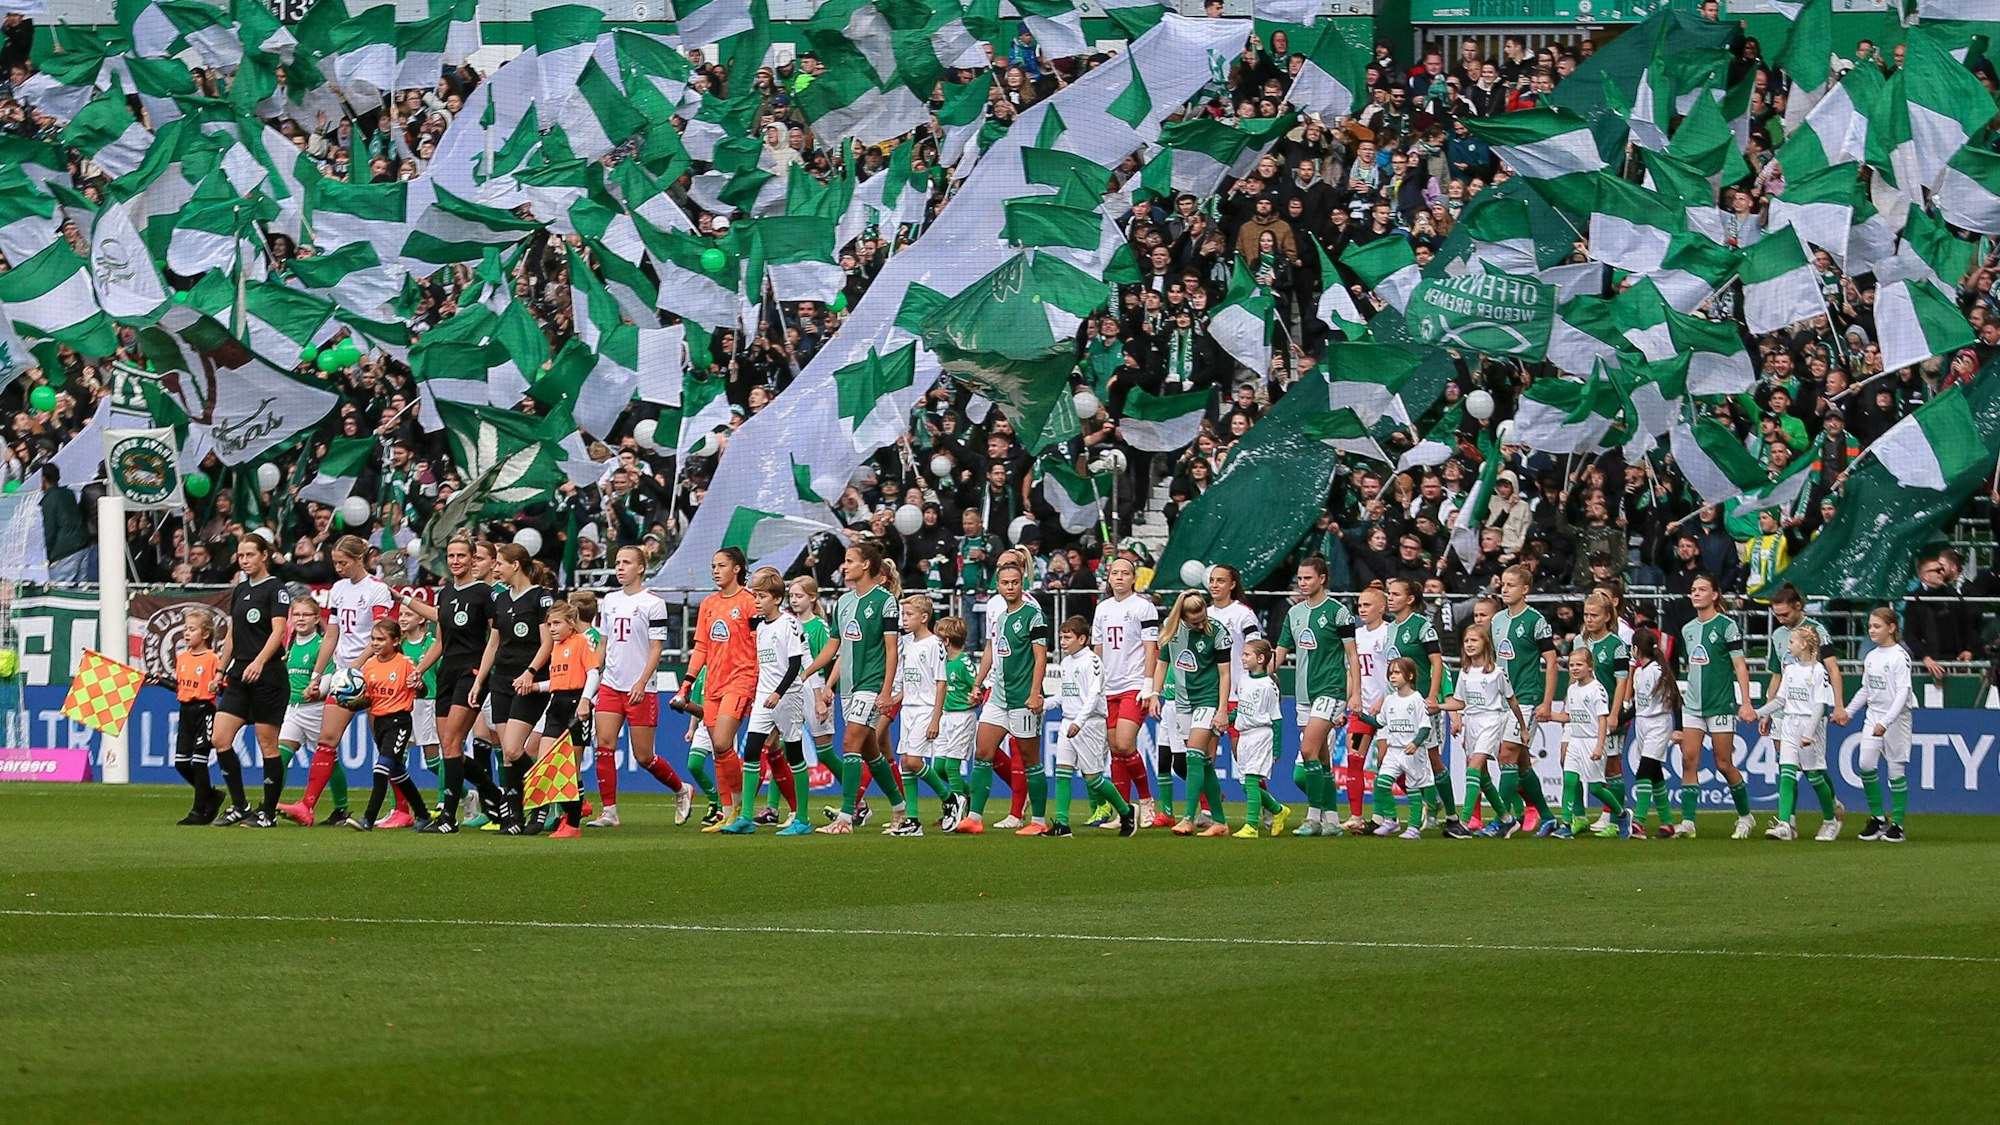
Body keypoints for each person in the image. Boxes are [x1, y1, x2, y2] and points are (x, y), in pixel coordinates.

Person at [281, 535, 393, 827]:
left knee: (384, 741)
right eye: (335, 563)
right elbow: (331, 634)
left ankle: (401, 807)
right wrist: (318, 676)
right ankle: (307, 806)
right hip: (344, 675)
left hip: (373, 671)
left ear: (359, 559)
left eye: (344, 562)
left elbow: (379, 634)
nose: (339, 567)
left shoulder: (377, 590)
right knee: (327, 740)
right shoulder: (338, 589)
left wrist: (356, 667)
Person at [802, 541, 906, 835]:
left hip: (871, 684)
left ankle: (845, 818)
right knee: (871, 752)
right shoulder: (843, 603)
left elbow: (891, 650)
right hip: (848, 687)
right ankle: (901, 810)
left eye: (849, 561)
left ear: (866, 566)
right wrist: (808, 673)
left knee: (849, 743)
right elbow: (835, 648)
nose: (844, 566)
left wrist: (885, 692)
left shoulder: (885, 601)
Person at [586, 545, 691, 828]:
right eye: (617, 562)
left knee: (644, 756)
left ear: (641, 568)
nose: (620, 567)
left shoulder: (652, 603)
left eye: (627, 562)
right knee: (604, 746)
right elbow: (604, 645)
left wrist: (642, 682)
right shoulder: (608, 600)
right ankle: (609, 811)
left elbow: (657, 647)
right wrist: (593, 681)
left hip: (640, 688)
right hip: (611, 684)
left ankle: (682, 789)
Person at [411, 536, 503, 833]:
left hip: (472, 671)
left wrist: (483, 675)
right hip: (447, 673)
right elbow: (440, 641)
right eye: (451, 555)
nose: (455, 561)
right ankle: (494, 794)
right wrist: (420, 668)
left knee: (451, 741)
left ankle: (448, 817)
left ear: (472, 559)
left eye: (461, 555)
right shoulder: (447, 593)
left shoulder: (484, 594)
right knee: (450, 749)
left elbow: (495, 637)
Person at [959, 561, 1049, 835]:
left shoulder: (1034, 615)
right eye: (1005, 582)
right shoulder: (999, 617)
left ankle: (1039, 822)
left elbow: (1040, 656)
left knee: (1030, 760)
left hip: (1023, 698)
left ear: (1022, 584)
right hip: (998, 696)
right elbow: (991, 651)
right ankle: (974, 817)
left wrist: (1035, 693)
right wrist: (978, 683)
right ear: (997, 585)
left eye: (1015, 582)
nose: (1010, 587)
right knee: (983, 752)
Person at [1272, 556, 1358, 837]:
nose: (1302, 582)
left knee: (1308, 750)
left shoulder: (1337, 612)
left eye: (1308, 577)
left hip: (1330, 690)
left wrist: (1354, 694)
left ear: (1322, 579)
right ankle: (1332, 820)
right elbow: (1281, 650)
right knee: (1321, 760)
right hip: (1303, 694)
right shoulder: (1294, 614)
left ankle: (1313, 817)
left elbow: (1352, 655)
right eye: (1300, 577)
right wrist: (1261, 672)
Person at [211, 535, 292, 827]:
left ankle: (268, 813)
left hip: (267, 674)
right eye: (241, 555)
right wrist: (221, 670)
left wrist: (259, 661)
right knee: (220, 738)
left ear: (264, 556)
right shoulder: (241, 589)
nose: (244, 560)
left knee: (267, 744)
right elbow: (233, 633)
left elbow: (278, 631)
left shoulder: (276, 589)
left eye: (250, 555)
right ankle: (240, 805)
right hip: (239, 673)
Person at [476, 543, 556, 834]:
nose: (495, 568)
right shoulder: (500, 599)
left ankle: (542, 798)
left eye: (499, 563)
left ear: (515, 565)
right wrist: (480, 680)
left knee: (513, 748)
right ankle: (514, 817)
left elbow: (547, 642)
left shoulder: (541, 599)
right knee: (507, 754)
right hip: (501, 681)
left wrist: (530, 672)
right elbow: (493, 643)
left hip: (528, 683)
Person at [679, 548, 759, 831]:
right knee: (719, 749)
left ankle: (743, 808)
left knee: (723, 742)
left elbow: (759, 642)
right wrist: (688, 682)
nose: (715, 570)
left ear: (736, 569)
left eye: (721, 565)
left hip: (741, 680)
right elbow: (701, 646)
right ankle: (730, 812)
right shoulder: (708, 604)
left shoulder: (750, 602)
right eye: (713, 565)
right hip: (713, 683)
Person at [728, 568, 811, 835]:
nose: (757, 601)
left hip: (787, 696)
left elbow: (795, 664)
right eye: (756, 596)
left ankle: (803, 820)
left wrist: (779, 692)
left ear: (776, 599)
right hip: (765, 697)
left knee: (795, 754)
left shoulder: (788, 624)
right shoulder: (762, 625)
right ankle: (746, 818)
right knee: (751, 751)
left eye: (762, 596)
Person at [1676, 573, 1759, 840]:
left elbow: (1739, 665)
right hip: (1693, 706)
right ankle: (1688, 822)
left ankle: (1745, 816)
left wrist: (1745, 702)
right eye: (1693, 589)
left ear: (1715, 595)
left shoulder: (1726, 626)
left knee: (1723, 763)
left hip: (1720, 705)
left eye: (1702, 589)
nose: (1696, 593)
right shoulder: (1687, 629)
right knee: (1689, 760)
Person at [1385, 577, 1466, 836]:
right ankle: (1411, 813)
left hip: (1419, 706)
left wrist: (1431, 697)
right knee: (1393, 759)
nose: (1390, 597)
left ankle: (1452, 819)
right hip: (1397, 708)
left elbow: (1437, 662)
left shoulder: (1421, 625)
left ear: (1410, 599)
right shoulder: (1390, 628)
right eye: (1389, 593)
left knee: (1433, 761)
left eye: (1395, 594)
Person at [1149, 591, 1232, 838]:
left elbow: (1225, 674)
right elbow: (1162, 663)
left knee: (1193, 756)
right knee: (1204, 763)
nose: (1201, 625)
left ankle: (1188, 818)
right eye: (1194, 622)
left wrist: (1222, 709)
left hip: (1207, 699)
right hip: (1182, 702)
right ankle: (1220, 822)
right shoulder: (1171, 630)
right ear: (1182, 617)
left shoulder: (1217, 632)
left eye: (1203, 618)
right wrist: (1155, 693)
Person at [1091, 557, 1162, 826]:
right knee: (1114, 748)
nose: (1119, 577)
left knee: (1124, 743)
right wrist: (1096, 682)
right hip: (1108, 686)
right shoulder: (1103, 609)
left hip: (1133, 684)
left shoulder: (1144, 607)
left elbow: (1149, 647)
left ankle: (1145, 800)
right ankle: (1123, 811)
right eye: (1114, 573)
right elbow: (1097, 648)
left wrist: (1148, 684)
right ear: (1108, 578)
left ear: (1134, 579)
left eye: (1125, 573)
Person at [1488, 566, 1558, 838]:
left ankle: (1504, 819)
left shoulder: (1536, 621)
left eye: (1511, 585)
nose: (1504, 589)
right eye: (1503, 584)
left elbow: (1551, 662)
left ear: (1525, 590)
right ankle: (1549, 818)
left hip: (1526, 698)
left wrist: (1547, 702)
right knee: (1521, 763)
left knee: (1506, 754)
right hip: (1500, 700)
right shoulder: (1496, 621)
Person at [1049, 615, 1135, 837]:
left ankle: (1126, 812)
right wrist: (1045, 704)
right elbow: (1066, 692)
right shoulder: (1066, 662)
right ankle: (1061, 824)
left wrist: (1079, 721)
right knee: (1062, 772)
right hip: (1068, 721)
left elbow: (1094, 694)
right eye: (1061, 637)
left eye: (1068, 637)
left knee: (1093, 779)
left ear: (1083, 639)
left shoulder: (1092, 661)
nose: (1063, 641)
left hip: (1089, 723)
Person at [1834, 608, 1914, 842]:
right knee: (1865, 763)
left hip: (1897, 718)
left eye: (1876, 626)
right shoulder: (1871, 656)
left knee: (1895, 770)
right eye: (1869, 626)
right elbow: (1866, 689)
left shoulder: (1900, 656)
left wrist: (1886, 722)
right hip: (1874, 714)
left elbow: (1902, 693)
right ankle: (1878, 818)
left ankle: (1898, 824)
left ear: (1891, 628)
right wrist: (1848, 712)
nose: (1871, 630)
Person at [1437, 625, 1523, 839]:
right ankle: (1507, 820)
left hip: (1491, 721)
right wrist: (1437, 706)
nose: (1469, 644)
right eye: (1466, 641)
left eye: (1474, 640)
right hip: (1472, 723)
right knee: (1483, 777)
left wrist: (1522, 727)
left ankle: (1464, 823)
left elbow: (1512, 700)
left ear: (1485, 643)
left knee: (1473, 768)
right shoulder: (1465, 673)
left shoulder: (1496, 672)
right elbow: (1459, 702)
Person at [346, 620, 430, 832]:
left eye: (381, 639)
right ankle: (423, 815)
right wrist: (350, 702)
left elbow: (422, 690)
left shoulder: (405, 663)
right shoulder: (370, 666)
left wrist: (419, 685)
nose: (375, 643)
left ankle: (368, 818)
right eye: (373, 639)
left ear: (395, 640)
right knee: (398, 772)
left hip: (399, 721)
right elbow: (368, 699)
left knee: (381, 768)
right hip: (380, 723)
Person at [1757, 626, 1839, 841]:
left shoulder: (1818, 671)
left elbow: (1820, 704)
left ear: (1804, 644)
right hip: (1789, 724)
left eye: (1792, 641)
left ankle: (1831, 820)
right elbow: (1781, 700)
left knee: (1814, 776)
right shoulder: (1791, 670)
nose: (1788, 645)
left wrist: (1809, 734)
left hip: (1810, 726)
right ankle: (1784, 824)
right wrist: (1758, 713)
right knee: (1786, 772)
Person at [886, 592, 955, 836]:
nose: (904, 619)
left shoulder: (934, 644)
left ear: (924, 617)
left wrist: (936, 717)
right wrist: (892, 699)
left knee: (914, 762)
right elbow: (908, 683)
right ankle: (913, 821)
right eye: (903, 614)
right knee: (906, 764)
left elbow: (940, 682)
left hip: (926, 709)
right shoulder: (907, 643)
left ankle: (949, 799)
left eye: (909, 615)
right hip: (908, 709)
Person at [529, 602, 598, 837]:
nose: (551, 628)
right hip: (556, 704)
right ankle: (556, 815)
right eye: (548, 624)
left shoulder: (580, 643)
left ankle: (572, 824)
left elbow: (593, 673)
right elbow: (559, 679)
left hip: (575, 704)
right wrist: (537, 686)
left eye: (556, 623)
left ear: (571, 624)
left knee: (570, 768)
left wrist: (585, 701)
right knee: (545, 763)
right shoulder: (557, 647)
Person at [1552, 647, 1626, 840]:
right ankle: (1566, 824)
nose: (1575, 668)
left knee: (1595, 788)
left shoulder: (1596, 689)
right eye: (1571, 665)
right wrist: (1550, 716)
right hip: (1575, 741)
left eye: (1579, 664)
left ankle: (1622, 815)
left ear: (1590, 666)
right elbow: (1569, 716)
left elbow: (1603, 719)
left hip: (1592, 741)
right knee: (1569, 780)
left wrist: (1599, 746)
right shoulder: (1571, 689)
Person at [160, 609, 223, 824]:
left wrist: (217, 686)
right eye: (186, 629)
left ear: (205, 634)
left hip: (204, 710)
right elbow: (181, 687)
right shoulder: (183, 658)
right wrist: (160, 680)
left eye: (192, 629)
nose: (186, 633)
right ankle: (211, 795)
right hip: (186, 711)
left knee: (199, 762)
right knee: (181, 763)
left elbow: (221, 687)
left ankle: (198, 811)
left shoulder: (212, 659)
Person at [1575, 593, 1630, 836]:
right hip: (1580, 715)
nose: (1589, 619)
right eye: (1586, 615)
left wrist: (1615, 713)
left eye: (1594, 615)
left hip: (1603, 714)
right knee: (1569, 759)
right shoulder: (1580, 642)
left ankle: (1615, 817)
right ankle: (1576, 815)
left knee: (1611, 766)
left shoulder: (1617, 646)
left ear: (1607, 616)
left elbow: (1621, 682)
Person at [1368, 657, 1437, 839]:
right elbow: (1378, 722)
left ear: (1410, 675)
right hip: (1394, 750)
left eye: (1397, 672)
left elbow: (1425, 726)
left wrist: (1415, 743)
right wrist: (1359, 715)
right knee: (1382, 783)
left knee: (1413, 789)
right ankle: (1391, 820)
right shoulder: (1389, 700)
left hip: (1411, 751)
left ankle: (1414, 828)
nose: (1393, 676)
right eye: (1391, 673)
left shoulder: (1416, 699)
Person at [1231, 639, 1288, 838]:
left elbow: (1277, 718)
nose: (1243, 658)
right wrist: (1228, 718)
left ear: (1261, 658)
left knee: (1252, 781)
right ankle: (1279, 810)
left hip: (1260, 735)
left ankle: (1251, 826)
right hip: (1244, 736)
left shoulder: (1268, 686)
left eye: (1247, 655)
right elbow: (1242, 707)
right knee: (1246, 784)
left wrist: (1277, 748)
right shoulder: (1244, 679)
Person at [1626, 629, 1680, 838]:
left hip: (1658, 724)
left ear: (1636, 649)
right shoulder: (1639, 672)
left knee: (1643, 772)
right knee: (1655, 775)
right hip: (1643, 723)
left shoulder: (1658, 671)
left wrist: (1679, 728)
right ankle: (1667, 823)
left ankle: (1639, 822)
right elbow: (1638, 706)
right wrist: (1618, 721)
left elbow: (1675, 699)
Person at [1348, 586, 1393, 831]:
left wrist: (1384, 698)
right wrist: (1348, 699)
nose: (1362, 609)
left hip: (1387, 709)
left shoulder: (1389, 633)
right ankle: (1356, 816)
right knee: (1354, 759)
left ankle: (1381, 816)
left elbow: (1397, 671)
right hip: (1361, 708)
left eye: (1367, 605)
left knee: (1387, 764)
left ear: (1381, 607)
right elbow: (1351, 672)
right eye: (1360, 605)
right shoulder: (1355, 635)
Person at [397, 602, 443, 818]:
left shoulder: (434, 645)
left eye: (408, 614)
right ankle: (397, 809)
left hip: (428, 703)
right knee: (397, 757)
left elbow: (442, 675)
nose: (403, 618)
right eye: (401, 614)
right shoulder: (398, 646)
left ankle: (456, 797)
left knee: (433, 761)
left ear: (423, 619)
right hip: (402, 705)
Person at [933, 615, 980, 826]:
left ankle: (956, 809)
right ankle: (968, 796)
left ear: (946, 641)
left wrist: (976, 695)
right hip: (944, 716)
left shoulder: (963, 662)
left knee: (952, 766)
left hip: (962, 717)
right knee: (939, 768)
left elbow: (980, 686)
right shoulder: (942, 663)